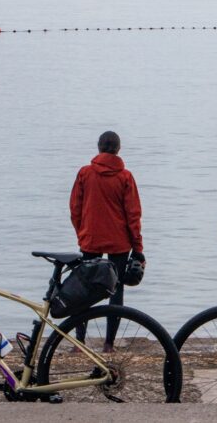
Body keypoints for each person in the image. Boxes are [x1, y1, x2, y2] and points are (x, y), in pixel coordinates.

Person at [69, 131, 143, 353]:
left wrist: (82, 233)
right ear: (118, 149)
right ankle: (109, 344)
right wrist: (138, 248)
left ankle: (79, 342)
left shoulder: (85, 173)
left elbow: (75, 208)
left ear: (99, 147)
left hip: (90, 239)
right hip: (119, 242)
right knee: (116, 291)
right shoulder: (125, 177)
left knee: (83, 289)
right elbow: (133, 215)